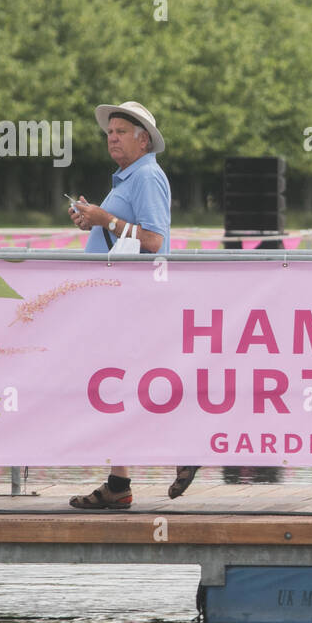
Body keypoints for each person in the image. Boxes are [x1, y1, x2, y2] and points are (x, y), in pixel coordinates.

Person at [67, 100, 199, 509]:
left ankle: (186, 447)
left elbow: (155, 240)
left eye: (121, 131)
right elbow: (125, 231)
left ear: (144, 140)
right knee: (124, 385)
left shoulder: (146, 176)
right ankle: (120, 482)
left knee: (130, 383)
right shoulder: (128, 178)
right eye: (109, 132)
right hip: (119, 300)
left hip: (135, 301)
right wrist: (94, 218)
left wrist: (104, 219)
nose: (112, 137)